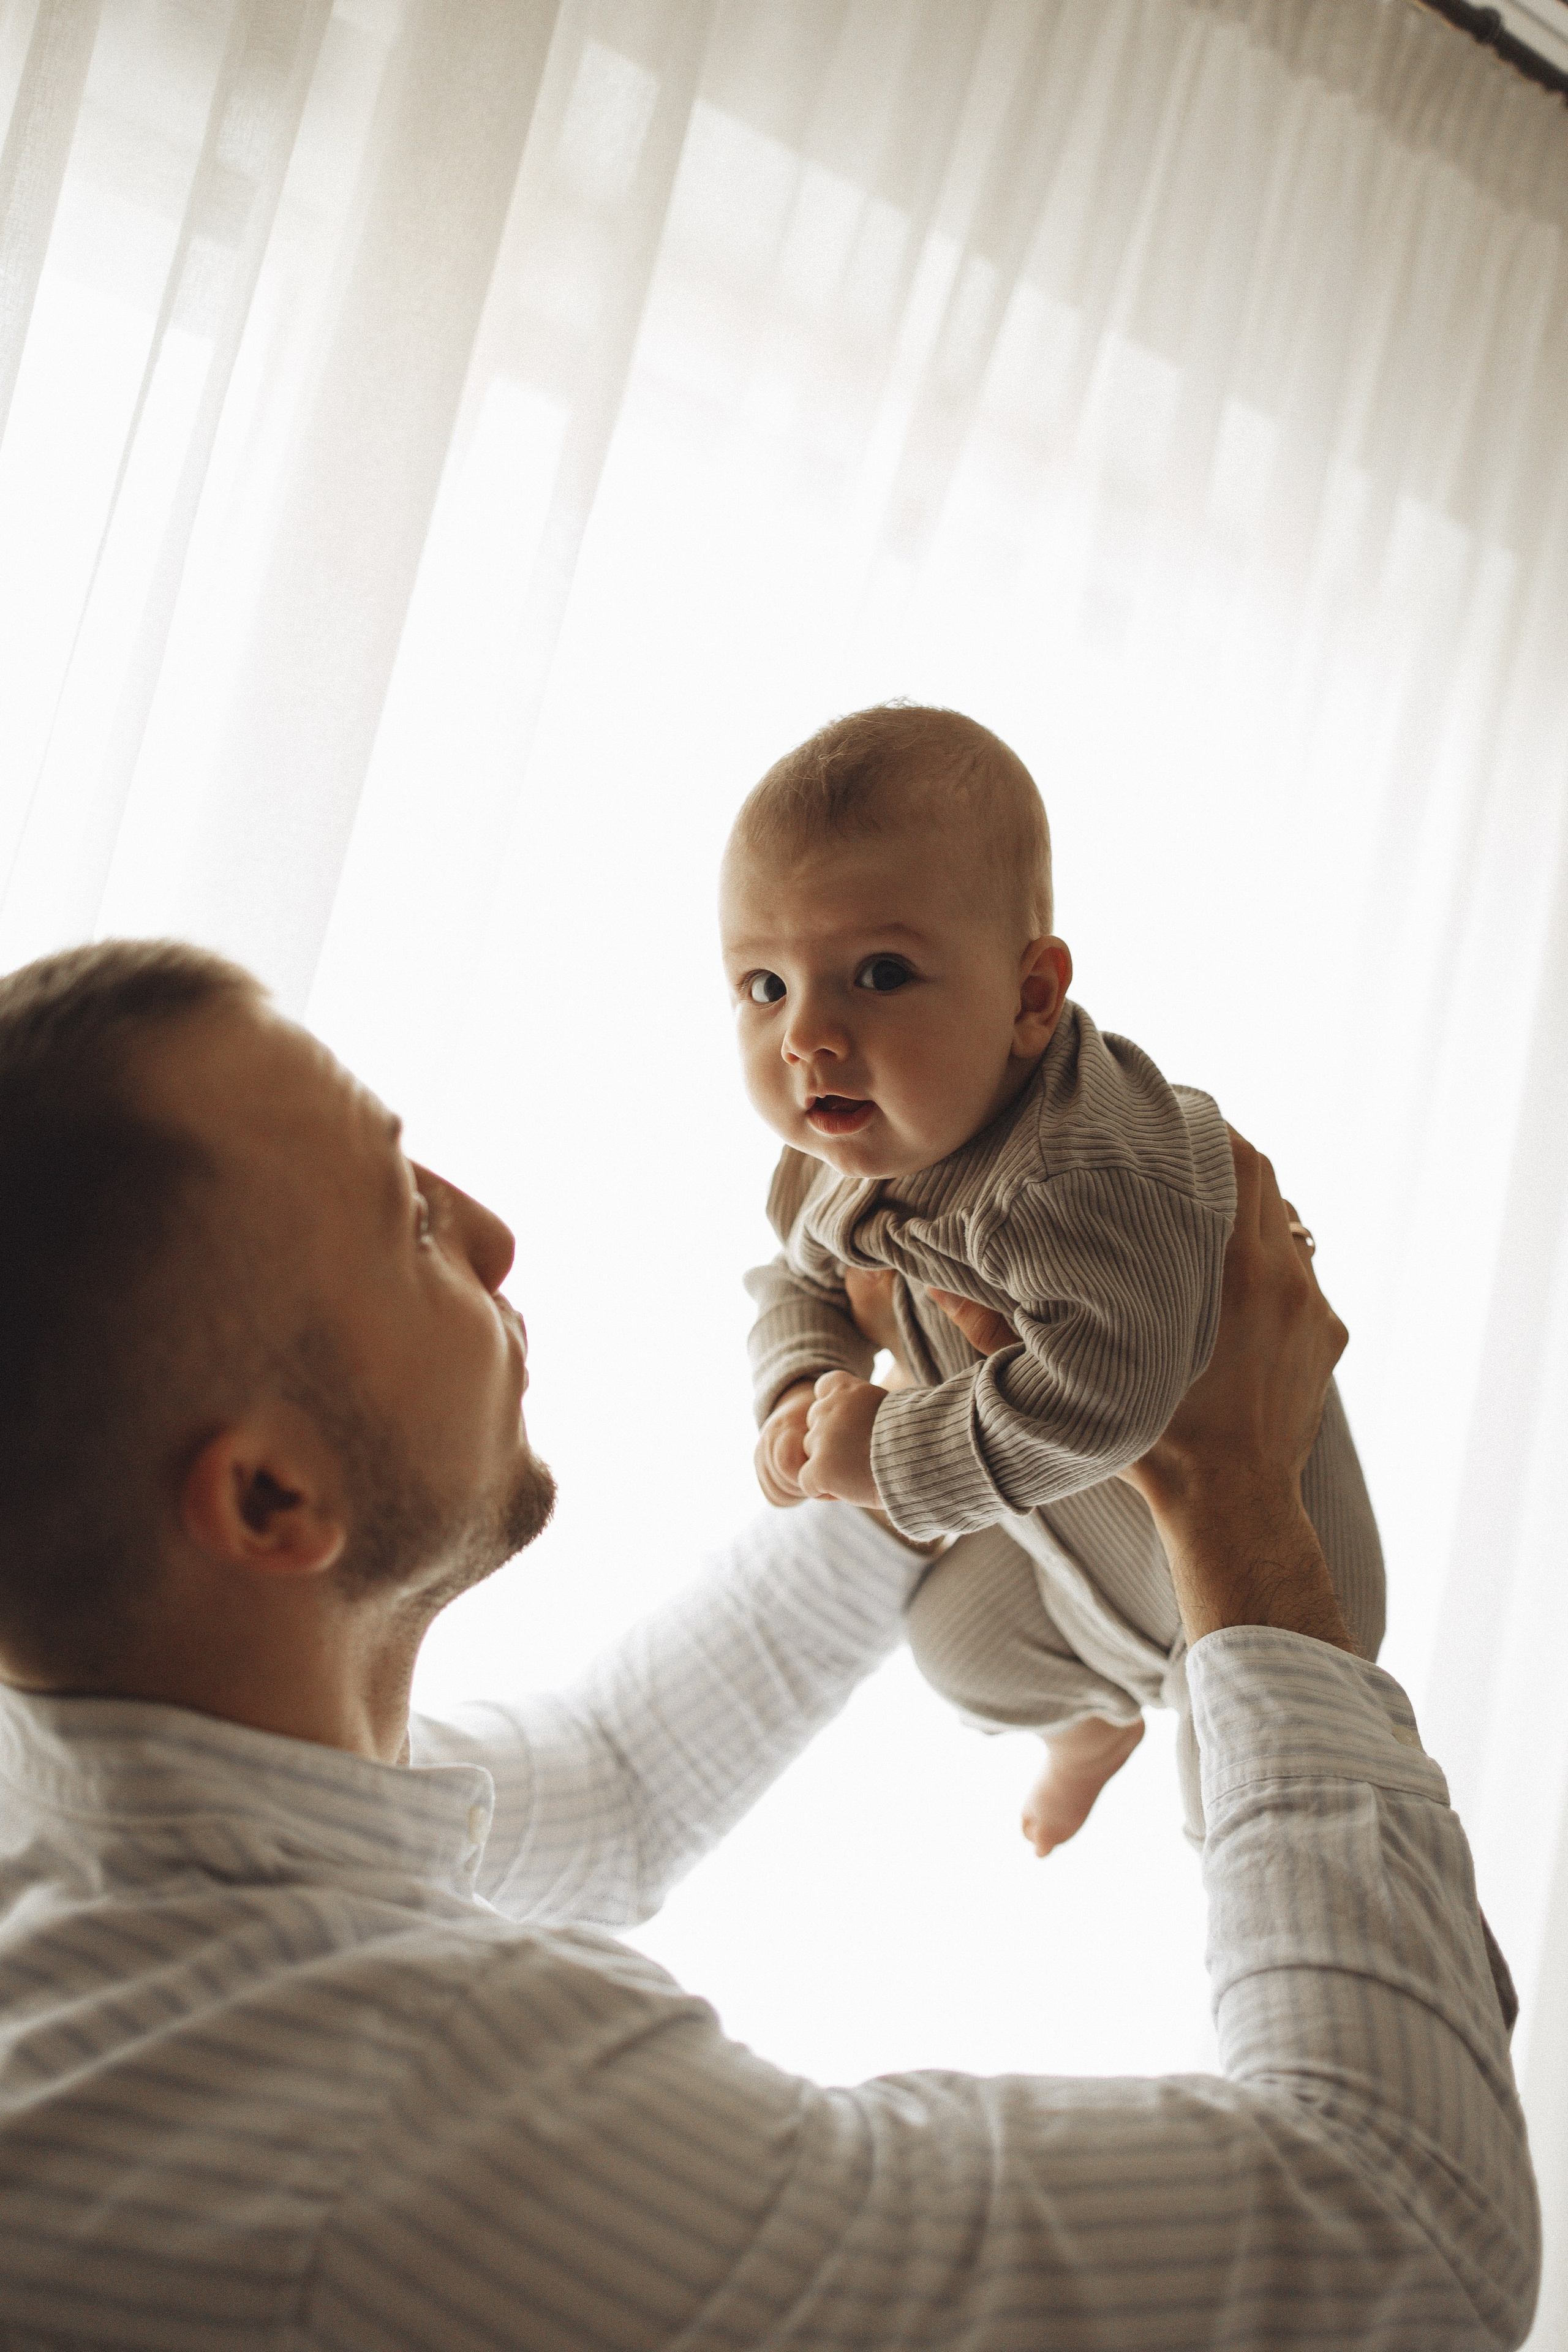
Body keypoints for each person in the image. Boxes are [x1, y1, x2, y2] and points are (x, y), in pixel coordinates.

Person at [0, 937, 1537, 2350]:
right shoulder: (405, 2113)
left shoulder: (94, 1805)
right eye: (405, 1219)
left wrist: (942, 1426)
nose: (492, 1234)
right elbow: (1404, 2238)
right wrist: (1233, 1497)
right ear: (273, 1497)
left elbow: (604, 1792)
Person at [726, 701, 1384, 1851]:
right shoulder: (836, 1148)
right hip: (1068, 1565)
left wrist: (882, 1450)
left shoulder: (1075, 1181)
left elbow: (1109, 1395)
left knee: (1247, 1807)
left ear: (1032, 998)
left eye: (879, 972)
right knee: (957, 1657)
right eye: (766, 986)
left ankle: (1350, 1860)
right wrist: (797, 1388)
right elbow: (796, 1281)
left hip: (1256, 1563)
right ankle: (1090, 1721)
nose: (808, 1038)